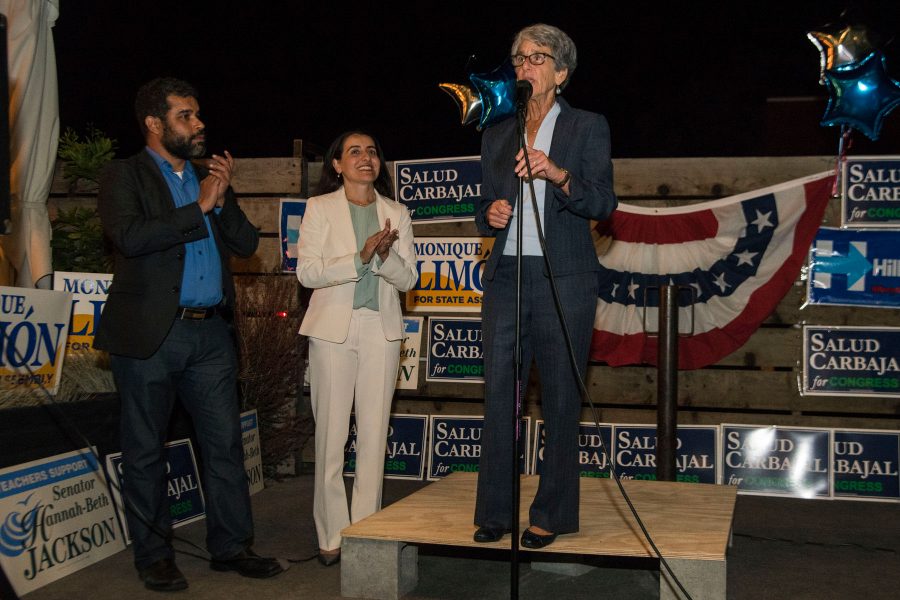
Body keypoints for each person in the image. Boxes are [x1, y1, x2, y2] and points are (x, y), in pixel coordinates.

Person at [95, 77, 283, 591]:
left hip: (210, 338)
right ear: (155, 124)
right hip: (150, 337)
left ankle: (231, 546)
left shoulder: (209, 179)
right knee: (146, 450)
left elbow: (245, 244)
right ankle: (154, 555)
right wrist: (197, 206)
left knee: (224, 445)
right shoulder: (123, 176)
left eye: (198, 115)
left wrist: (220, 203)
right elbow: (130, 238)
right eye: (185, 116)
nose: (198, 125)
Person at [473, 24, 618, 549]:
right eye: (518, 58)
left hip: (565, 277)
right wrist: (487, 213)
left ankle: (551, 515)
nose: (524, 66)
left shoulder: (586, 127)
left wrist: (558, 175)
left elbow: (603, 202)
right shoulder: (496, 132)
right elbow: (481, 208)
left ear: (560, 73)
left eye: (538, 58)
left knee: (559, 398)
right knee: (499, 398)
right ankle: (495, 511)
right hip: (507, 274)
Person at [296, 131, 417, 566]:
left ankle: (367, 532)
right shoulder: (319, 208)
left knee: (372, 437)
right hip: (332, 332)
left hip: (380, 330)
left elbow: (409, 281)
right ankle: (331, 535)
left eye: (371, 151)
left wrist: (384, 257)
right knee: (330, 436)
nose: (365, 158)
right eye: (354, 152)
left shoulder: (396, 213)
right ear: (337, 165)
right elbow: (307, 273)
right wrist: (360, 256)